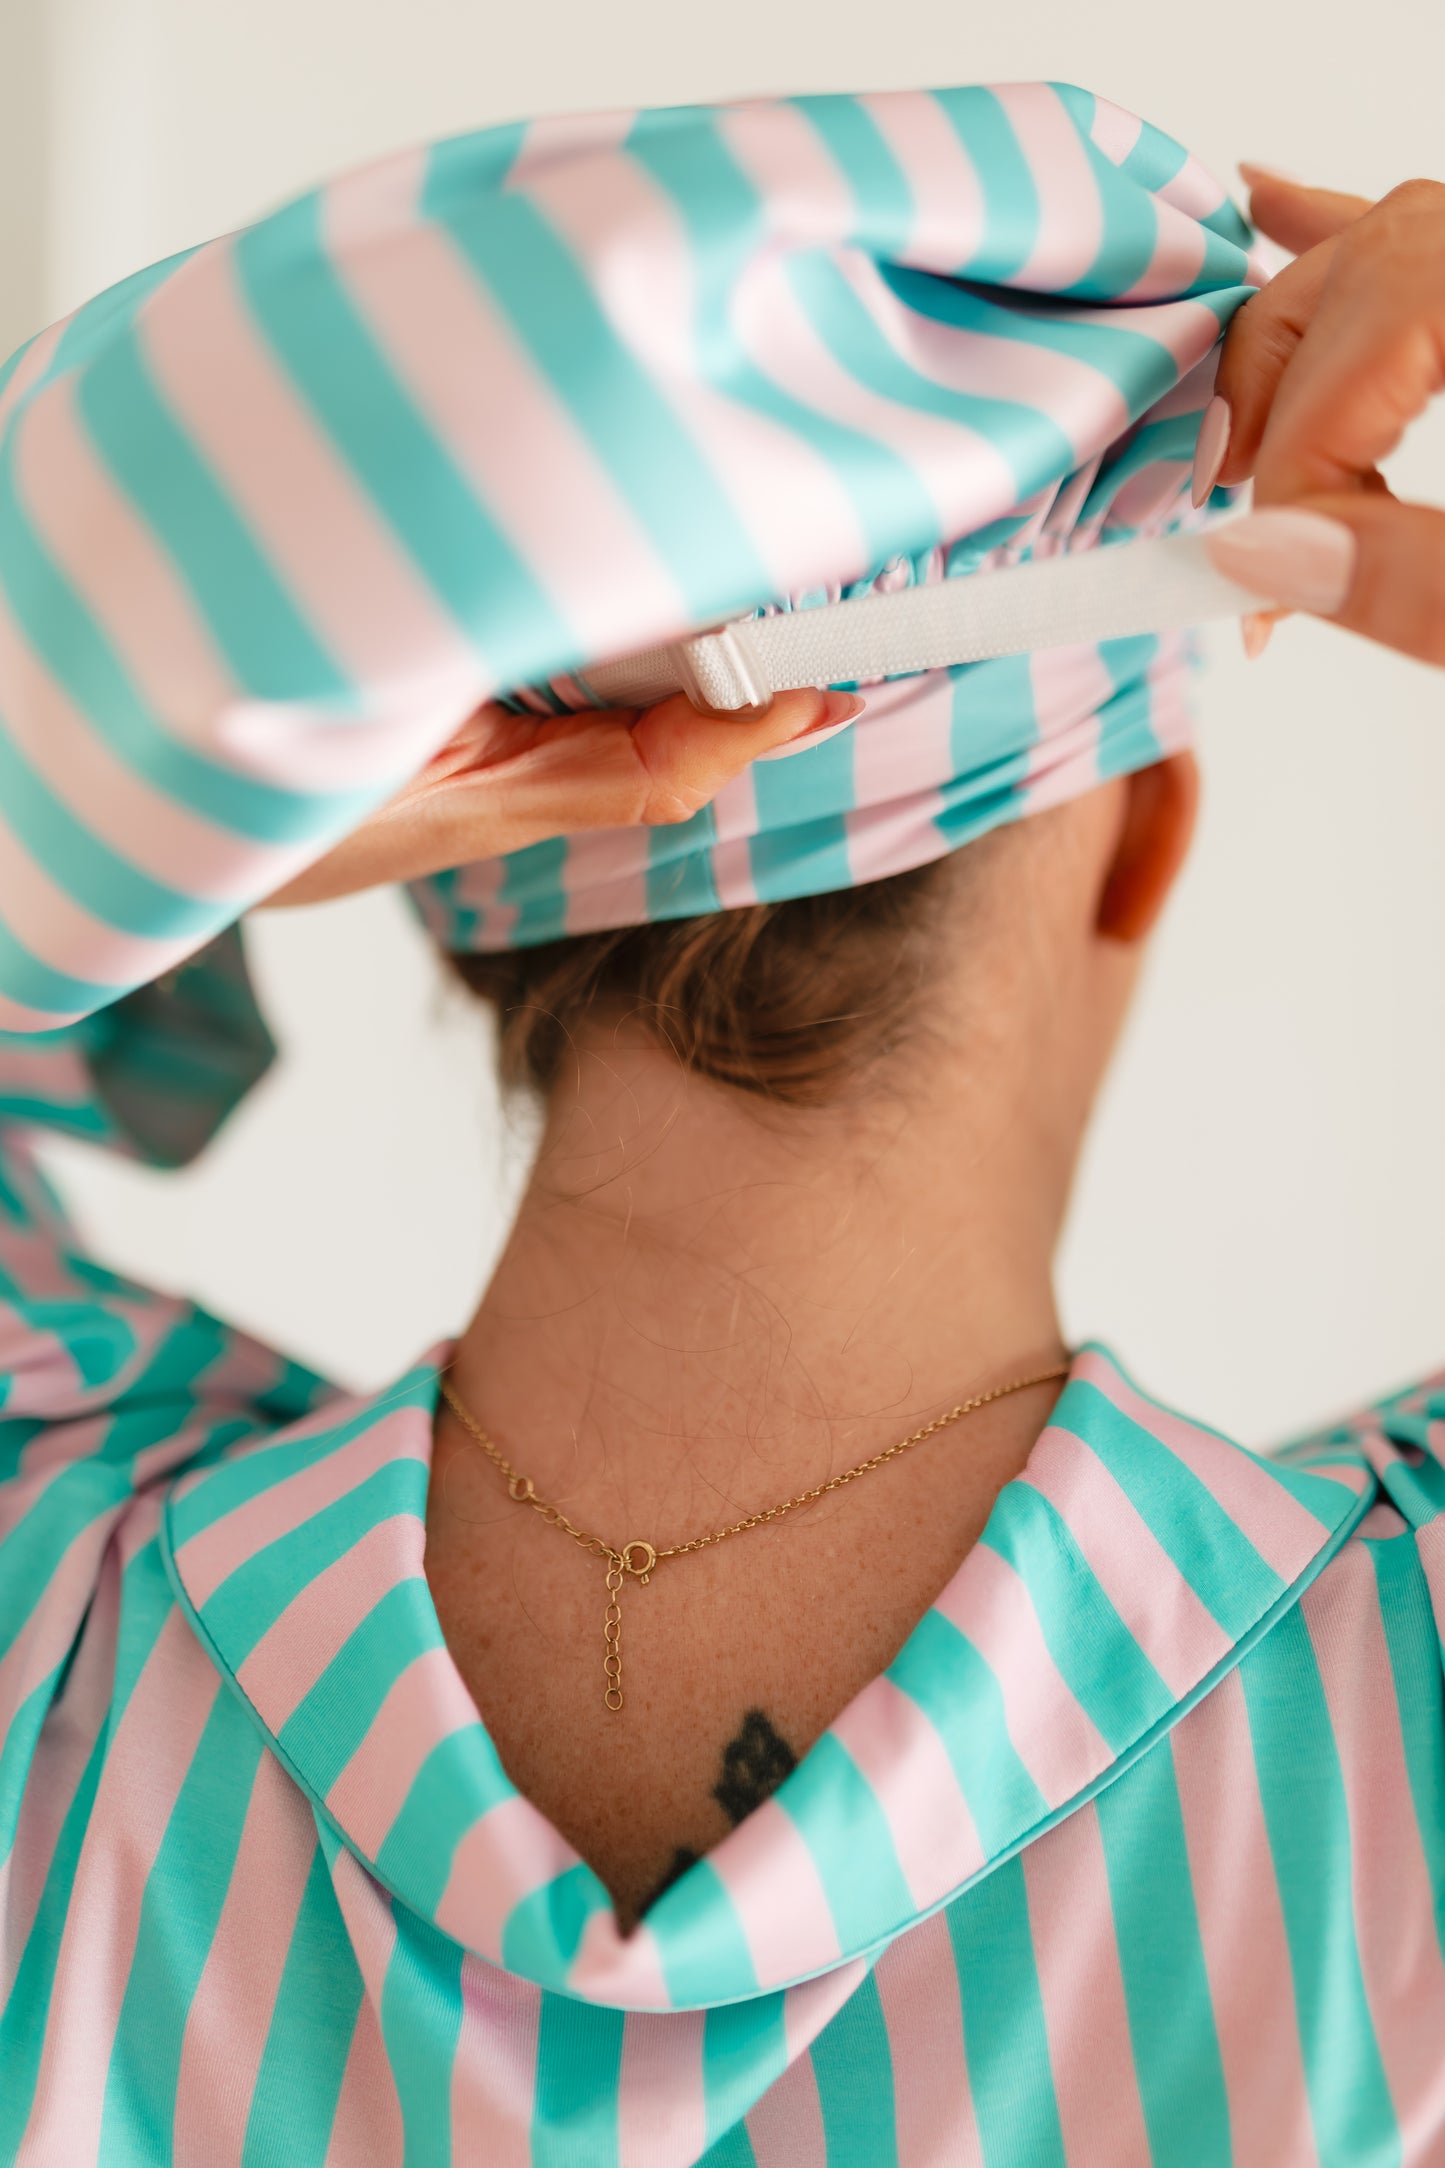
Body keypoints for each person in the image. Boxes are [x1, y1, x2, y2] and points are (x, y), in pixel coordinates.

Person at [0, 81, 1440, 2166]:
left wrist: (143, 802)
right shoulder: (1402, 1713)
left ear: (429, 886)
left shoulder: (54, 1623)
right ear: (1144, 842)